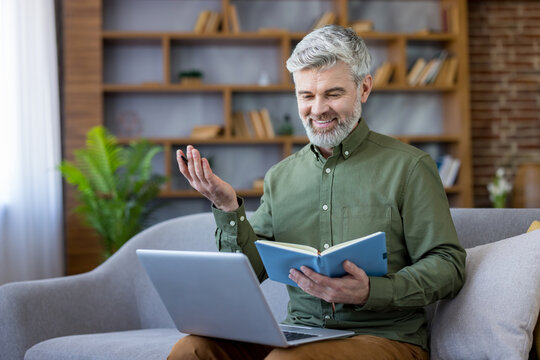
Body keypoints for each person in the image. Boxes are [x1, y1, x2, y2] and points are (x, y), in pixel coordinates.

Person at [169, 25, 466, 360]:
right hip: (299, 333)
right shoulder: (281, 176)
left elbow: (449, 266)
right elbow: (251, 272)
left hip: (383, 337)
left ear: (364, 88)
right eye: (306, 96)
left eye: (333, 94)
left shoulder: (410, 168)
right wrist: (225, 206)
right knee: (191, 350)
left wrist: (371, 290)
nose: (318, 109)